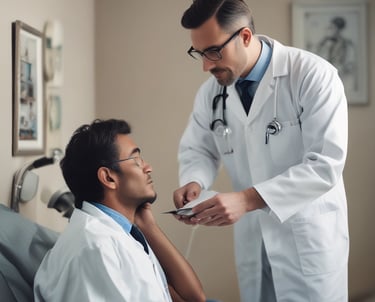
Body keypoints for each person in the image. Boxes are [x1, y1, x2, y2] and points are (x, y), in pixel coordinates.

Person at [173, 1, 349, 301]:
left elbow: (325, 165)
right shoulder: (212, 93)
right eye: (199, 54)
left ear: (244, 36)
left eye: (214, 51)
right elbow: (198, 148)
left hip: (307, 241)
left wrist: (247, 199)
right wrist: (194, 181)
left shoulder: (312, 76)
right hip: (254, 241)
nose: (206, 65)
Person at [34, 119, 206, 302]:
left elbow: (194, 298)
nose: (148, 167)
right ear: (108, 177)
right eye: (136, 160)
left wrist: (149, 228)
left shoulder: (124, 233)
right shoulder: (96, 247)